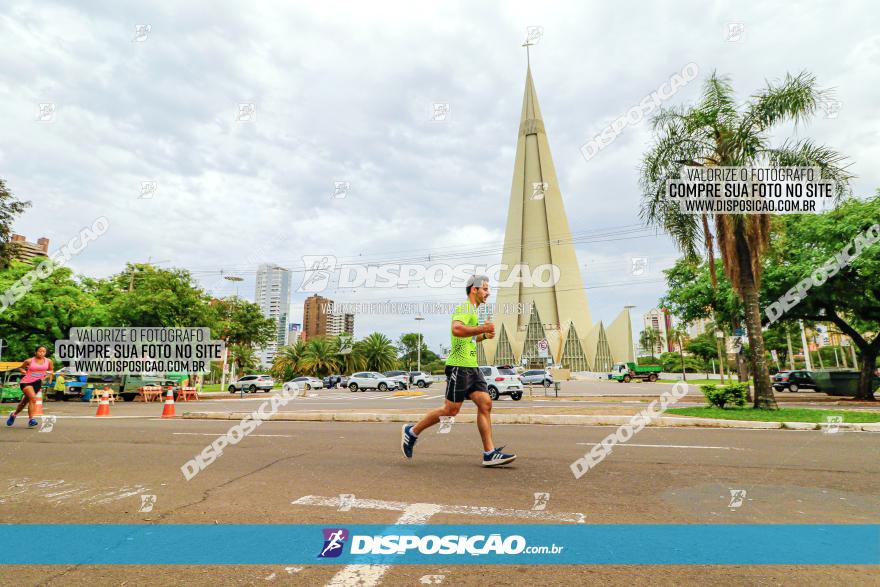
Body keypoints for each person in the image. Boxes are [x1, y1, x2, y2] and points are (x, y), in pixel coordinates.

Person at [401, 275, 516, 467]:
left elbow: (467, 338)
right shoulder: (465, 308)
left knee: (485, 404)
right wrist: (482, 328)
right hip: (459, 367)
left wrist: (483, 336)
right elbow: (457, 330)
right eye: (485, 289)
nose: (488, 293)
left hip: (472, 366)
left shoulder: (473, 311)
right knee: (451, 410)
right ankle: (412, 432)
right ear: (474, 290)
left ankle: (489, 453)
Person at [7, 346, 54, 428]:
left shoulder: (49, 361)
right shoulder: (29, 361)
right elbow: (21, 368)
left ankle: (13, 414)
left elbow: (51, 370)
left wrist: (45, 376)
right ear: (36, 352)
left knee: (24, 402)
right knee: (33, 399)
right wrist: (24, 372)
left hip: (37, 383)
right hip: (26, 382)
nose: (42, 353)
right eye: (40, 351)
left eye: (44, 351)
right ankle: (31, 419)